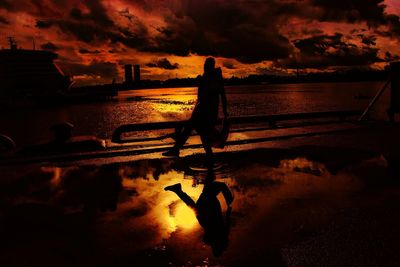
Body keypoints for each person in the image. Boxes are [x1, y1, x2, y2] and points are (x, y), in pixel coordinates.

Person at [162, 57, 229, 166]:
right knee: (201, 133)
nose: (204, 68)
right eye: (205, 65)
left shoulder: (214, 79)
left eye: (206, 66)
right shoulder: (210, 78)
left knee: (197, 130)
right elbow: (203, 98)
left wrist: (225, 112)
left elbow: (217, 97)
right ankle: (208, 158)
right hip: (204, 112)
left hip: (208, 113)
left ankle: (178, 149)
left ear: (210, 67)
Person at [164, 170, 233, 256]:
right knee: (202, 197)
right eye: (215, 249)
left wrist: (228, 210)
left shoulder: (217, 239)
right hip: (208, 213)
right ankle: (178, 190)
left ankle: (178, 190)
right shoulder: (221, 238)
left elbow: (226, 224)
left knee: (202, 198)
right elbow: (227, 224)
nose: (213, 247)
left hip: (206, 214)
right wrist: (228, 211)